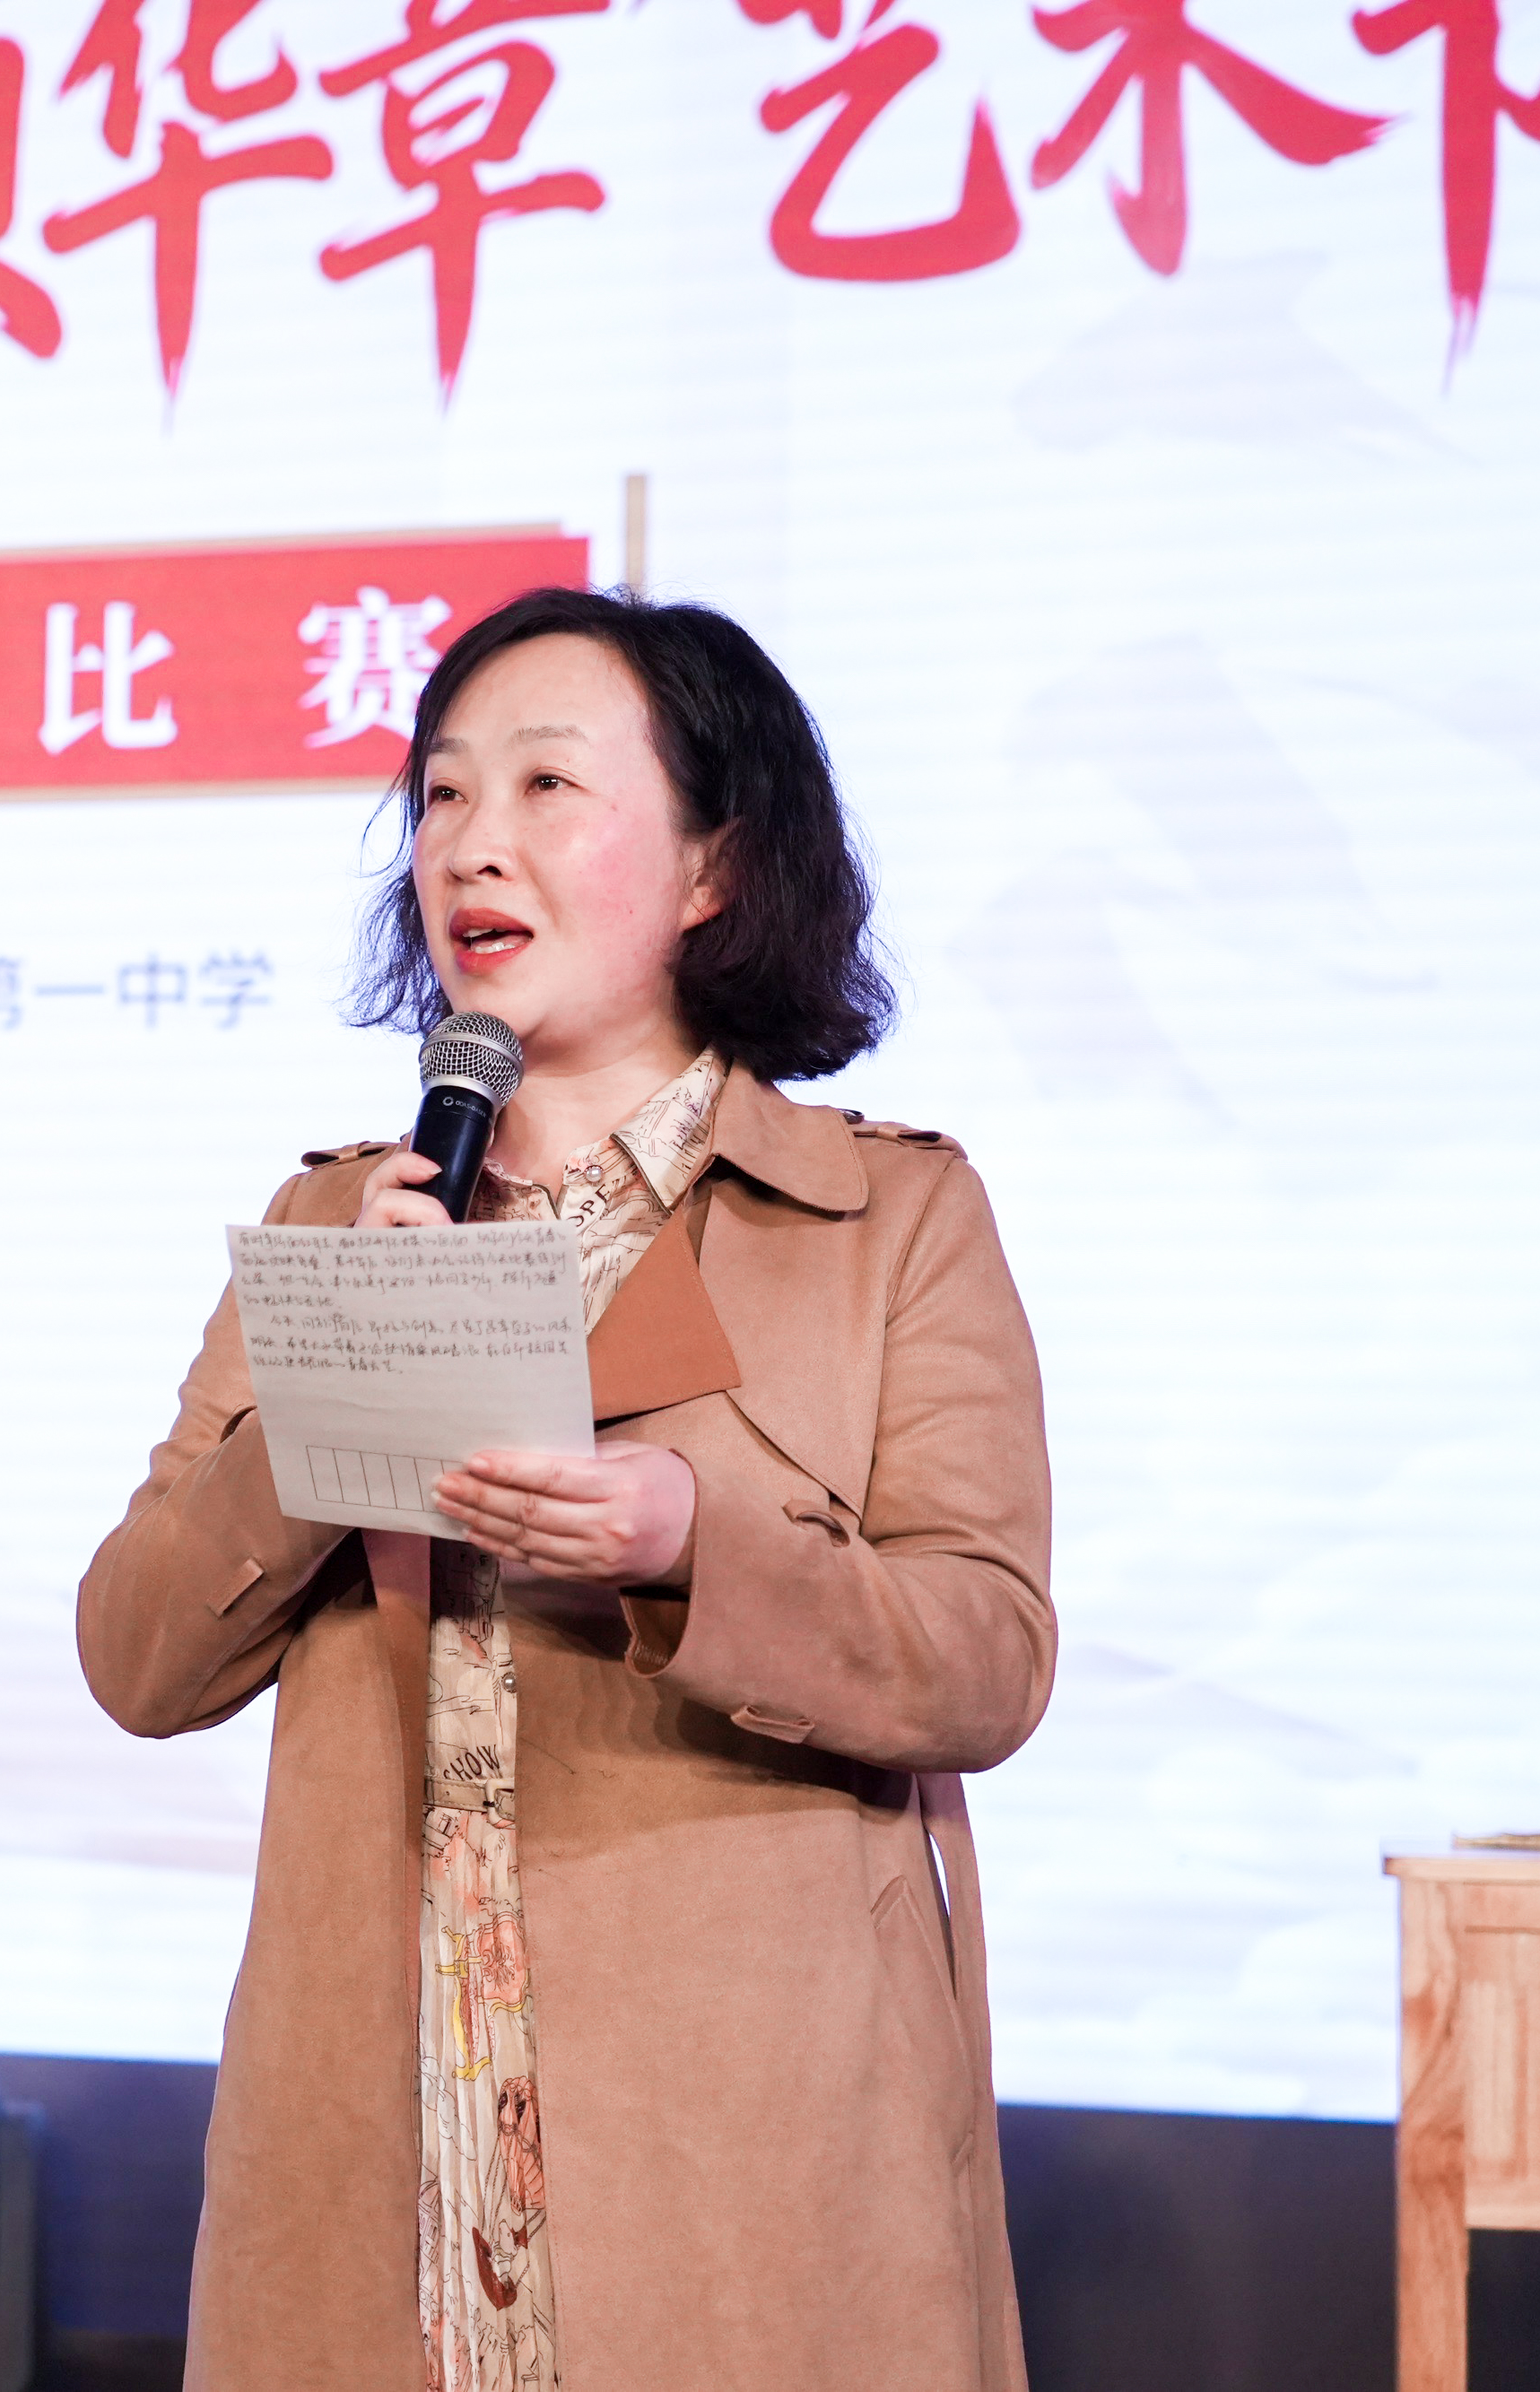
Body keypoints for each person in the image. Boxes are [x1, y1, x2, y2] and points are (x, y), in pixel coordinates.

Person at [77, 586, 1051, 2392]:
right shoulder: (338, 1217)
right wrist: (331, 1389)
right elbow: (136, 1659)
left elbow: (986, 1660)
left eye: (545, 786)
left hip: (740, 2156)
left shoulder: (886, 1220)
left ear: (712, 868)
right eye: (442, 794)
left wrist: (693, 1546)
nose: (472, 844)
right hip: (376, 2145)